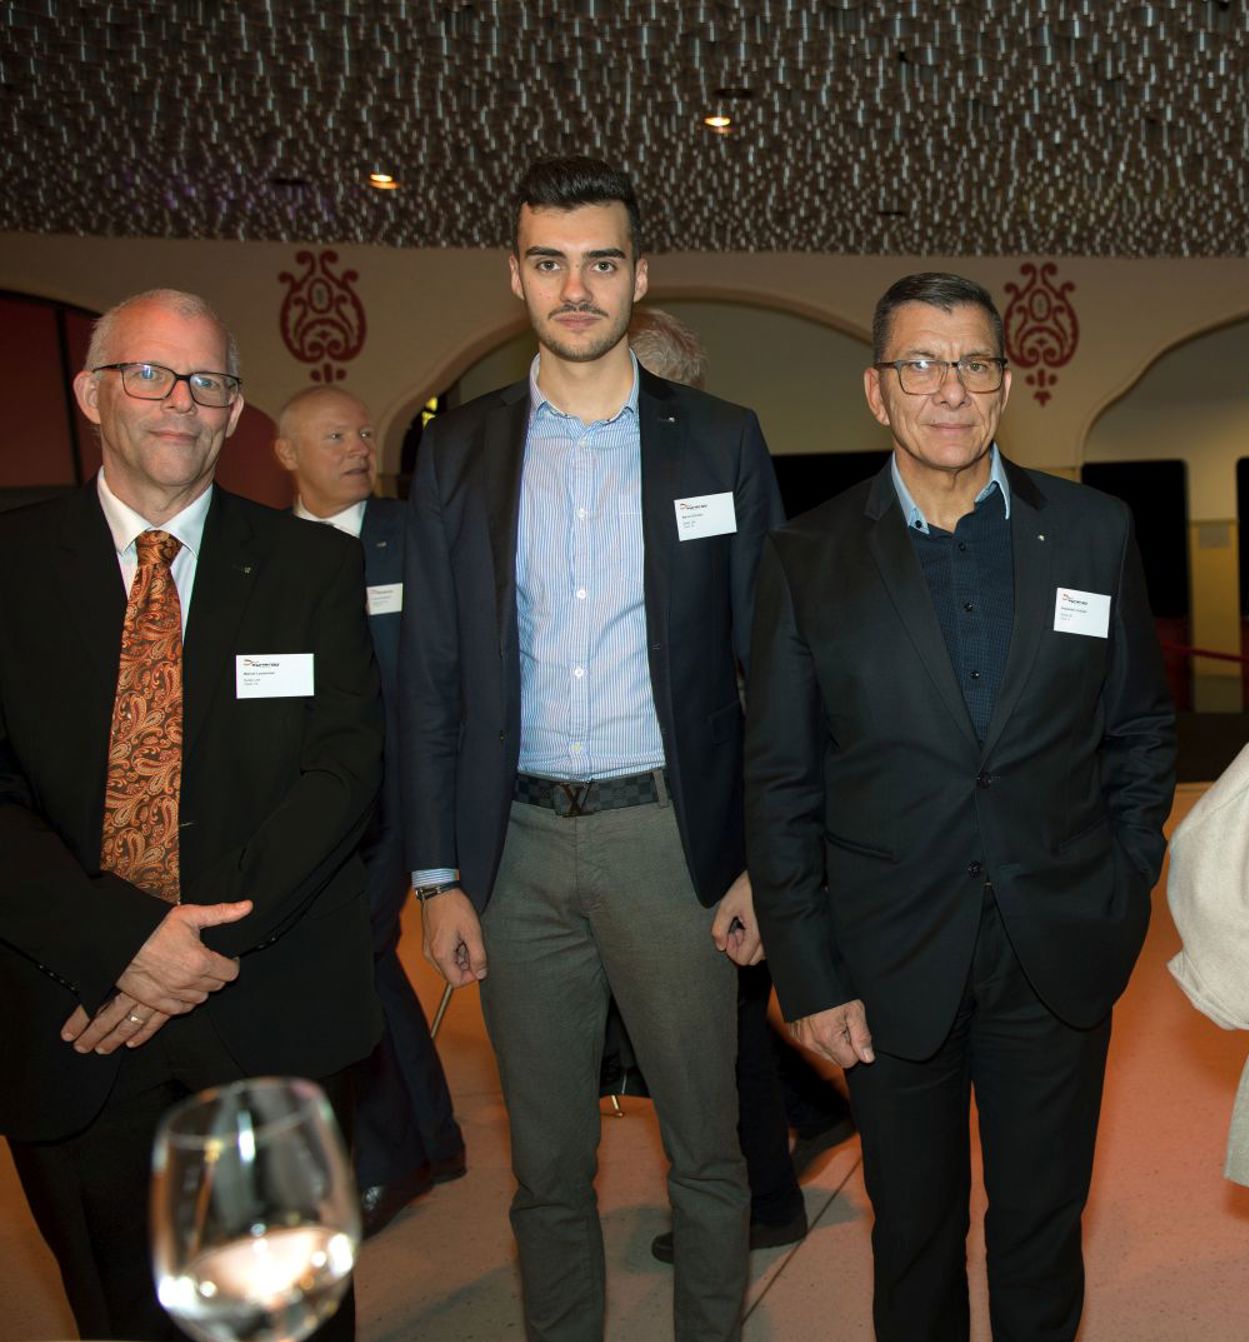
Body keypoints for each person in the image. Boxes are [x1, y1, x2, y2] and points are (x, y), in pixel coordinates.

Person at [748, 272, 1176, 1342]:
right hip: (886, 960)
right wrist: (809, 972)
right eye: (920, 365)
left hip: (1056, 947)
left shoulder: (1093, 532)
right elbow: (782, 780)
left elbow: (1138, 730)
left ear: (1006, 385)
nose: (949, 389)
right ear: (876, 390)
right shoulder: (807, 557)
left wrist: (1123, 885)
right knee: (913, 1235)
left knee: (1042, 1228)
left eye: (974, 364)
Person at [399, 157, 782, 1342]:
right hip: (511, 852)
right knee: (546, 1166)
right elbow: (431, 673)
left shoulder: (718, 441)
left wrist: (762, 859)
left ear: (639, 276)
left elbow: (773, 670)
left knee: (706, 1147)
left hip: (671, 842)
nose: (576, 289)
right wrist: (437, 874)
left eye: (601, 263)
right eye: (550, 262)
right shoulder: (457, 450)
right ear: (514, 275)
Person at [0, 289, 383, 1341]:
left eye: (207, 382)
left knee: (287, 1320)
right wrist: (125, 944)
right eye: (150, 374)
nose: (181, 401)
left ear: (234, 411)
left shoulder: (312, 566)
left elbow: (342, 772)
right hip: (77, 1020)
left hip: (267, 1008)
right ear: (90, 394)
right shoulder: (11, 571)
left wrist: (190, 945)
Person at [620, 305, 854, 1268]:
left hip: (723, 794)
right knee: (726, 1005)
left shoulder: (724, 478)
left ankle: (764, 1199)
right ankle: (809, 1116)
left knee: (719, 1015)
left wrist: (772, 821)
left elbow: (769, 656)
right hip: (647, 801)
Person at [273, 385, 467, 1236]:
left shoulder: (416, 536)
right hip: (318, 796)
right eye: (335, 436)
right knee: (365, 956)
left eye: (362, 432)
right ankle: (429, 1139)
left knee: (354, 952)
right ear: (288, 454)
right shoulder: (269, 554)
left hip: (408, 792)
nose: (359, 447)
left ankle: (395, 1156)